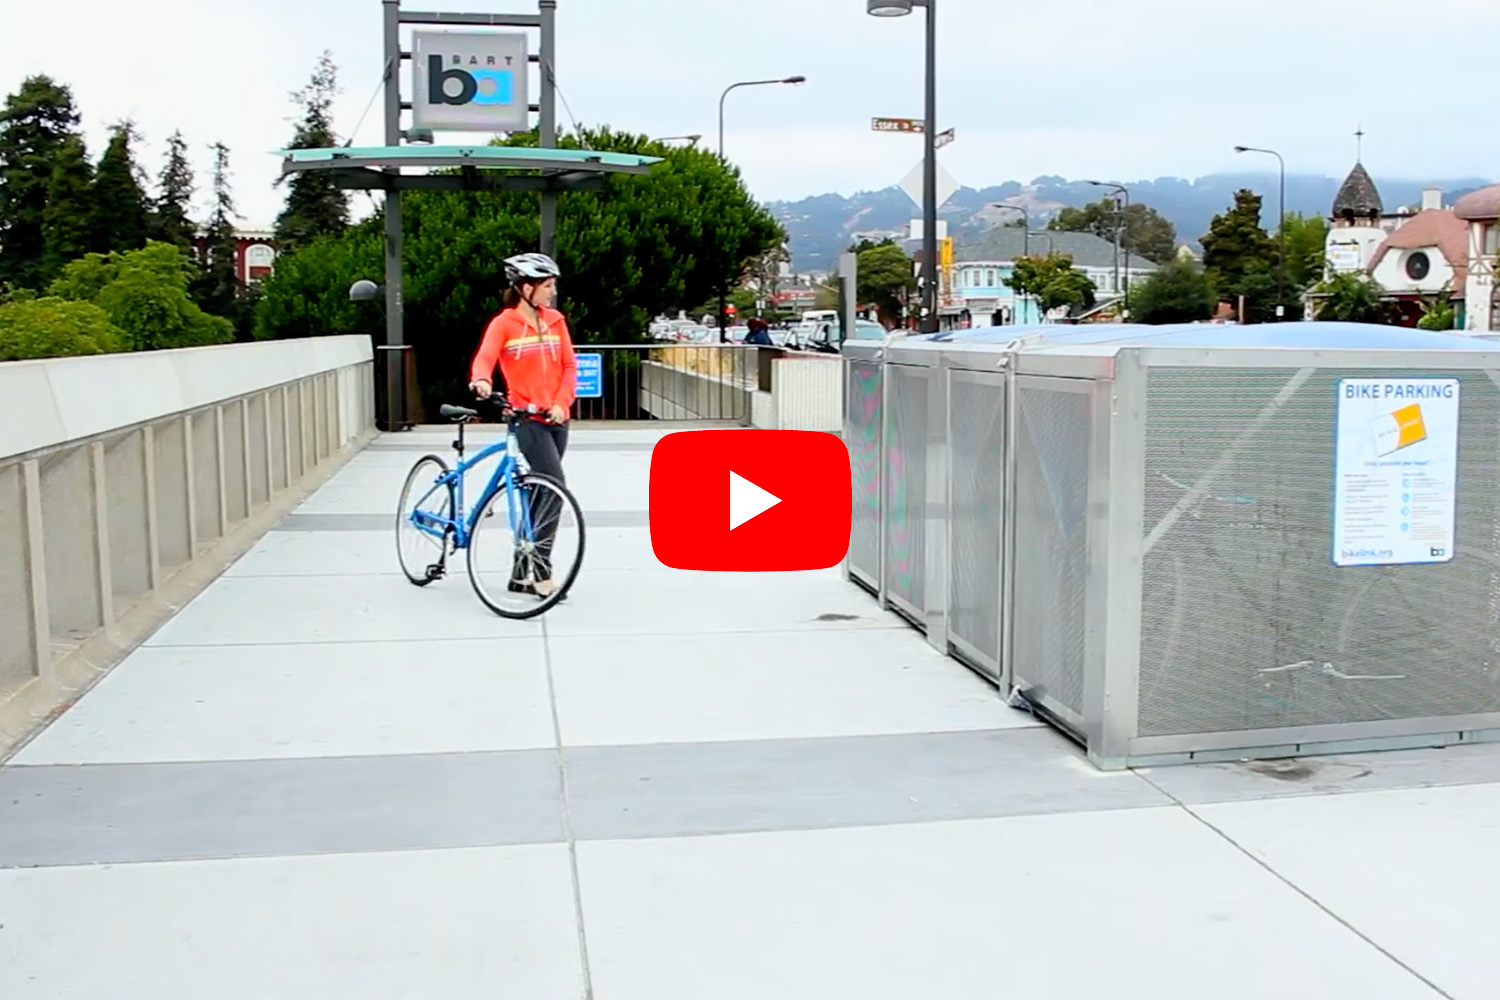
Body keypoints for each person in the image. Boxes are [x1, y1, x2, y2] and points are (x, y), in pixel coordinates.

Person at [467, 252, 576, 598]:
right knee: (554, 485)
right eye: (547, 285)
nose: (552, 292)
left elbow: (570, 367)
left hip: (557, 420)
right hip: (526, 419)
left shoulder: (556, 321)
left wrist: (561, 403)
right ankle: (541, 568)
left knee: (538, 491)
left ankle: (519, 572)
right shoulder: (505, 323)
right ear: (526, 288)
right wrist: (481, 380)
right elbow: (485, 357)